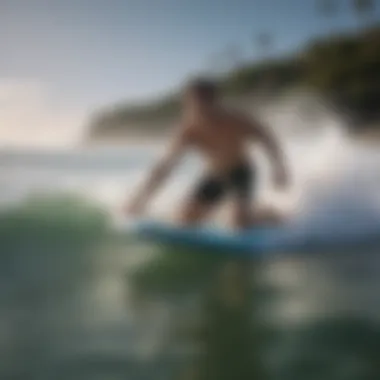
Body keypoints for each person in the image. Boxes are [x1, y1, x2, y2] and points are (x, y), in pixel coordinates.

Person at [125, 78, 290, 229]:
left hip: (240, 172)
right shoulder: (187, 131)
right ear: (188, 103)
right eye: (195, 102)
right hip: (214, 175)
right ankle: (228, 211)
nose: (201, 108)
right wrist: (141, 199)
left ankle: (270, 215)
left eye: (205, 101)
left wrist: (279, 168)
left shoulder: (235, 120)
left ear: (215, 101)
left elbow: (267, 137)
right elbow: (165, 166)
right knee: (184, 220)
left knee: (239, 224)